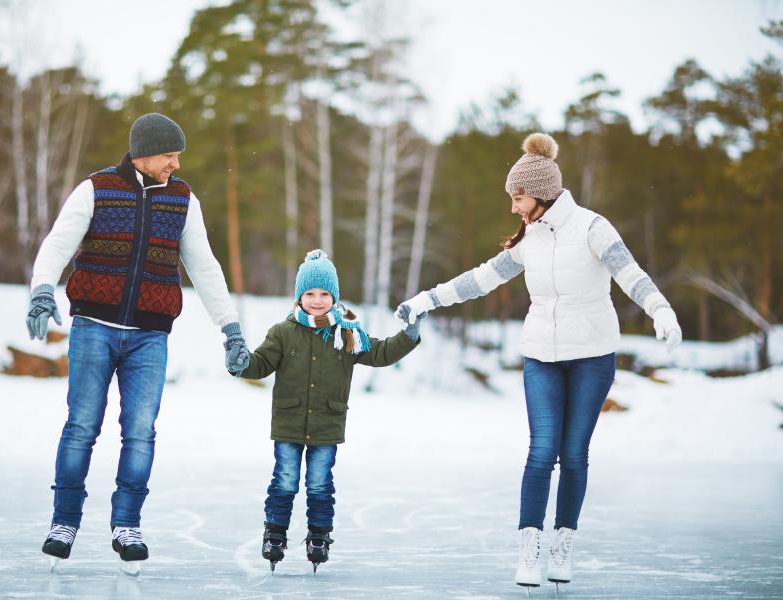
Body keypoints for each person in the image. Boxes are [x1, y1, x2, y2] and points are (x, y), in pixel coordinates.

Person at [396, 133, 682, 589]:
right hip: (541, 357)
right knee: (542, 450)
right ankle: (528, 550)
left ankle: (562, 545)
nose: (513, 207)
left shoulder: (592, 228)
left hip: (591, 357)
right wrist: (428, 299)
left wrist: (660, 310)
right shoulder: (529, 238)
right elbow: (482, 279)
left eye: (518, 197)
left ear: (542, 193)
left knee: (574, 454)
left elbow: (630, 274)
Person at [24, 113, 251, 568]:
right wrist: (42, 290)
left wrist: (230, 328)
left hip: (150, 336)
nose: (175, 164)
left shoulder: (183, 200)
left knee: (140, 432)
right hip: (94, 327)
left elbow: (204, 266)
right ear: (144, 153)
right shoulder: (97, 189)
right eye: (169, 155)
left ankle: (127, 524)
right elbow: (57, 244)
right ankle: (64, 522)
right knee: (81, 427)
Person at [230, 250, 422, 572]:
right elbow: (260, 365)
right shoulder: (283, 332)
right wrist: (240, 363)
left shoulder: (347, 333)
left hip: (327, 425)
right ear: (299, 297)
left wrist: (409, 335)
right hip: (289, 422)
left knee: (320, 484)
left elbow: (381, 353)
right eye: (310, 294)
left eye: (324, 294)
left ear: (334, 297)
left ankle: (319, 535)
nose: (317, 300)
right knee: (285, 481)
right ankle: (275, 532)